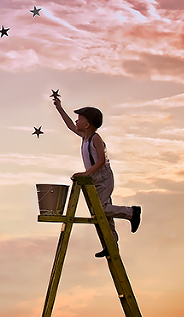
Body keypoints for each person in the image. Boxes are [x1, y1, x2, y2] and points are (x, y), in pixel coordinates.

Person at [53, 97, 141, 257]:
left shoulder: (96, 138)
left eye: (79, 119)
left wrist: (86, 173)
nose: (76, 122)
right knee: (102, 213)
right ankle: (110, 243)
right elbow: (69, 125)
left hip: (103, 178)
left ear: (87, 125)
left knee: (100, 210)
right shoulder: (84, 137)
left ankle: (131, 212)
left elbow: (101, 160)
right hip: (94, 178)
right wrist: (59, 108)